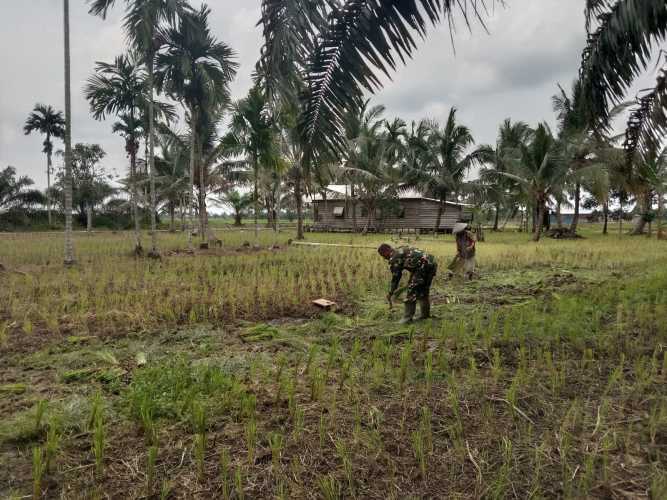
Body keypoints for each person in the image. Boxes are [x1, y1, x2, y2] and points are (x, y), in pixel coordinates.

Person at [378, 243, 437, 324]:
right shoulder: (400, 249)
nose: (384, 258)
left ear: (386, 252)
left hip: (422, 267)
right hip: (431, 263)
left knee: (411, 291)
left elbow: (396, 277)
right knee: (423, 291)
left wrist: (391, 292)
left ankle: (407, 318)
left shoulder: (394, 257)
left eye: (383, 256)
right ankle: (425, 315)